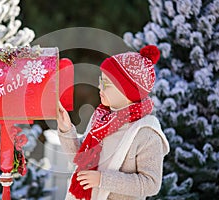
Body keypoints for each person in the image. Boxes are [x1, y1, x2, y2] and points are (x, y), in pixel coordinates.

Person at [57, 45, 170, 200]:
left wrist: (102, 180)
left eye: (106, 83)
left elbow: (151, 184)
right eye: (100, 80)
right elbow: (79, 160)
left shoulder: (146, 133)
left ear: (127, 90)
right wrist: (66, 129)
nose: (99, 87)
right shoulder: (102, 118)